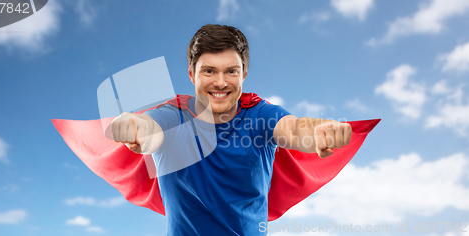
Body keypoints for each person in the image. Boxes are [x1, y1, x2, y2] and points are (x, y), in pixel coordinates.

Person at [110, 24, 352, 236]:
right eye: (209, 71)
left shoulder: (260, 114)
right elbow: (152, 128)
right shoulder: (173, 114)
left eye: (231, 71)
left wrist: (318, 131)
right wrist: (136, 127)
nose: (221, 82)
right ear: (192, 75)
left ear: (244, 74)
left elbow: (295, 129)